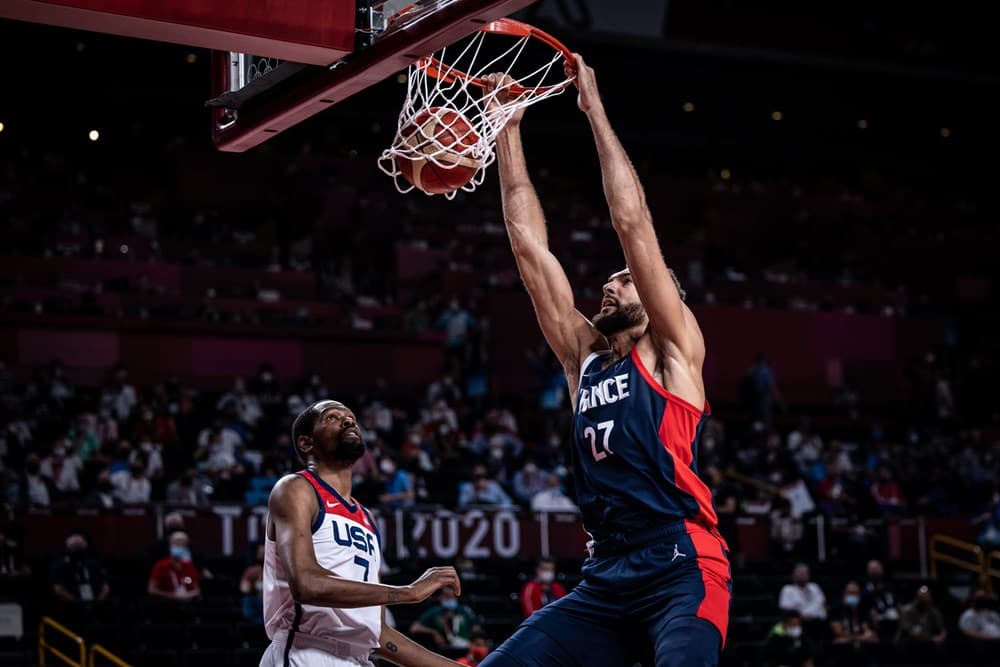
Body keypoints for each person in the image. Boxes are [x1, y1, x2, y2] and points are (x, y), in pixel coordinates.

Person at [479, 53, 732, 667]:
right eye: (612, 279)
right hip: (606, 574)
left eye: (625, 279)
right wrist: (507, 129)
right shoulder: (583, 357)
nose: (610, 284)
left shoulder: (673, 347)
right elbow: (528, 248)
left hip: (680, 562)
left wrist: (593, 112)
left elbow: (632, 221)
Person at [262, 399, 465, 666]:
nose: (348, 421)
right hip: (306, 650)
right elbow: (306, 584)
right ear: (306, 443)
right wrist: (407, 592)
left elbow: (378, 635)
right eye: (332, 418)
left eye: (351, 418)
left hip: (358, 659)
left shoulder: (367, 518)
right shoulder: (296, 488)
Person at [409, 586, 483, 652]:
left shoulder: (464, 609)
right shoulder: (434, 611)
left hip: (465, 647)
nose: (449, 599)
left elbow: (476, 628)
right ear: (440, 597)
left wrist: (473, 638)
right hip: (444, 650)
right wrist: (434, 632)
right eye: (446, 596)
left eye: (451, 596)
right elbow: (414, 628)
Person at [147, 530, 201, 601]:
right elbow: (151, 589)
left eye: (182, 545)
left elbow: (196, 588)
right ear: (170, 546)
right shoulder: (160, 566)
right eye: (177, 544)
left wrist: (189, 595)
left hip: (187, 604)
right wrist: (173, 596)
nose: (179, 547)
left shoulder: (189, 566)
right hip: (167, 604)